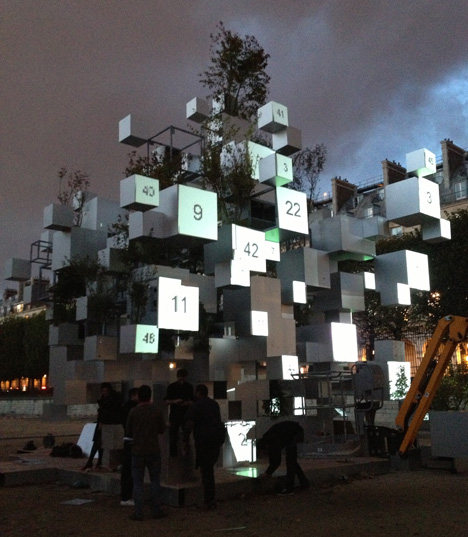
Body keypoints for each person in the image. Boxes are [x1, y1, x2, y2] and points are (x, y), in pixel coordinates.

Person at [126, 384, 166, 521]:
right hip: (153, 449)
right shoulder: (156, 411)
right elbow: (162, 429)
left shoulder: (133, 412)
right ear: (150, 396)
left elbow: (128, 431)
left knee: (138, 483)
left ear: (139, 397)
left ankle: (138, 512)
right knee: (155, 481)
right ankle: (156, 510)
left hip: (137, 450)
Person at [184, 383, 224, 510]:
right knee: (209, 470)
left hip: (203, 441)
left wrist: (185, 441)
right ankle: (210, 500)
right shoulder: (214, 404)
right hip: (215, 440)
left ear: (198, 393)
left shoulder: (195, 406)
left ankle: (209, 501)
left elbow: (189, 424)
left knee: (206, 472)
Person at [257, 420, 309, 495]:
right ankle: (304, 483)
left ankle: (290, 488)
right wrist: (268, 472)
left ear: (264, 447)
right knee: (292, 461)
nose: (264, 455)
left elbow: (276, 461)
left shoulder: (272, 441)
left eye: (262, 453)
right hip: (294, 432)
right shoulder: (269, 438)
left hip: (293, 434)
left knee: (290, 462)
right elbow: (275, 459)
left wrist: (267, 473)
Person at [164, 368, 194, 457]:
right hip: (184, 414)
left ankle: (174, 454)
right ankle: (184, 453)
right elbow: (193, 401)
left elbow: (166, 401)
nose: (181, 379)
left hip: (176, 414)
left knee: (175, 435)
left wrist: (174, 402)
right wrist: (183, 402)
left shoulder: (172, 386)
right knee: (183, 435)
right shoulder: (188, 387)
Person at [97, 382, 123, 470]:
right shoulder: (114, 398)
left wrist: (101, 422)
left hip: (109, 423)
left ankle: (108, 464)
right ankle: (114, 464)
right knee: (114, 445)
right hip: (114, 422)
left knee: (108, 445)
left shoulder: (106, 400)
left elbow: (103, 412)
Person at [120, 387, 139, 506]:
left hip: (127, 440)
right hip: (134, 441)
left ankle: (125, 496)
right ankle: (127, 496)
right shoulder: (134, 408)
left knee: (127, 470)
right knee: (131, 470)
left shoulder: (125, 407)